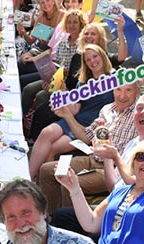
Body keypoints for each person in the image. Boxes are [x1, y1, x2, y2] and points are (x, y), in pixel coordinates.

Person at [49, 93, 144, 236]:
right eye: (139, 108)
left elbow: (140, 185)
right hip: (118, 206)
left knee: (79, 234)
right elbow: (113, 186)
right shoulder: (134, 143)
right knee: (60, 217)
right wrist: (107, 157)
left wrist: (116, 157)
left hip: (139, 218)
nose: (143, 112)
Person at [36, 79, 141, 211]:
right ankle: (49, 216)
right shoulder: (107, 109)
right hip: (93, 158)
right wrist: (67, 115)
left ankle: (70, 223)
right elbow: (86, 136)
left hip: (115, 169)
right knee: (46, 170)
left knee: (68, 182)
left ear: (137, 92)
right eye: (118, 89)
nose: (122, 95)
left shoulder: (140, 113)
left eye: (128, 90)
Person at [28, 44, 118, 180]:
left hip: (91, 126)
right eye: (88, 60)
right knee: (46, 132)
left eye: (95, 56)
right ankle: (29, 177)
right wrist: (63, 92)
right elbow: (75, 109)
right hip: (75, 118)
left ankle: (45, 183)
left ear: (102, 56)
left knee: (53, 147)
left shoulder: (115, 78)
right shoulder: (83, 82)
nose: (92, 61)